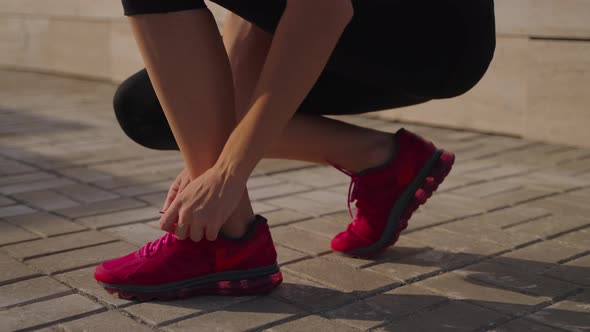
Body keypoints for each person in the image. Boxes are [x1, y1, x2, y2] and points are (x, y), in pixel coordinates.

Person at [94, 0, 496, 300]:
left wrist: (229, 171)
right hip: (346, 24)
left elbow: (321, 8)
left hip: (428, 32)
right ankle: (381, 161)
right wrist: (210, 157)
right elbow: (254, 15)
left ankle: (224, 240)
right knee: (150, 108)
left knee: (188, 109)